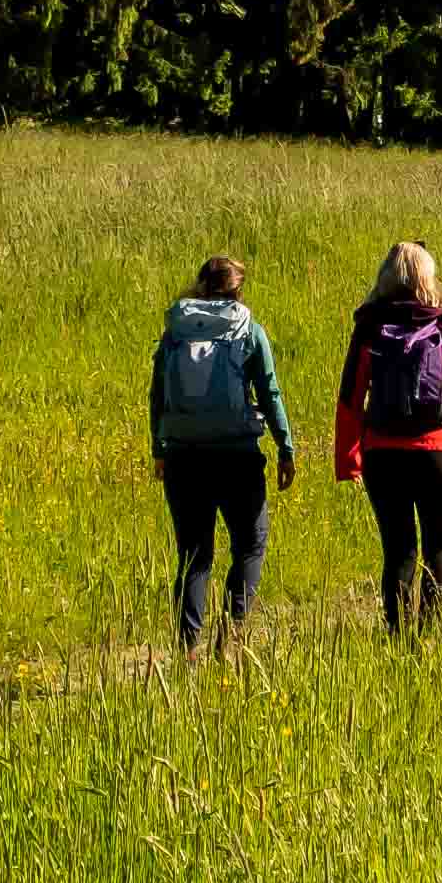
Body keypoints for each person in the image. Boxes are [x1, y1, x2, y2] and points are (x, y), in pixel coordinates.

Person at [332, 238, 442, 631]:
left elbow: (350, 399)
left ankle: (397, 639)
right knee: (441, 550)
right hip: (439, 454)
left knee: (398, 552)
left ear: (385, 276)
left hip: (382, 455)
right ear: (428, 277)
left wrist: (349, 461)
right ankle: (429, 639)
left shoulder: (370, 326)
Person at [146, 253, 295, 659]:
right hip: (237, 456)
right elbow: (269, 392)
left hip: (183, 456)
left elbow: (158, 394)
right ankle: (230, 633)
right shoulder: (248, 330)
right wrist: (285, 447)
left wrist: (159, 448)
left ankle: (187, 649)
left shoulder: (175, 331)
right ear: (237, 291)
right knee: (250, 544)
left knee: (194, 555)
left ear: (200, 285)